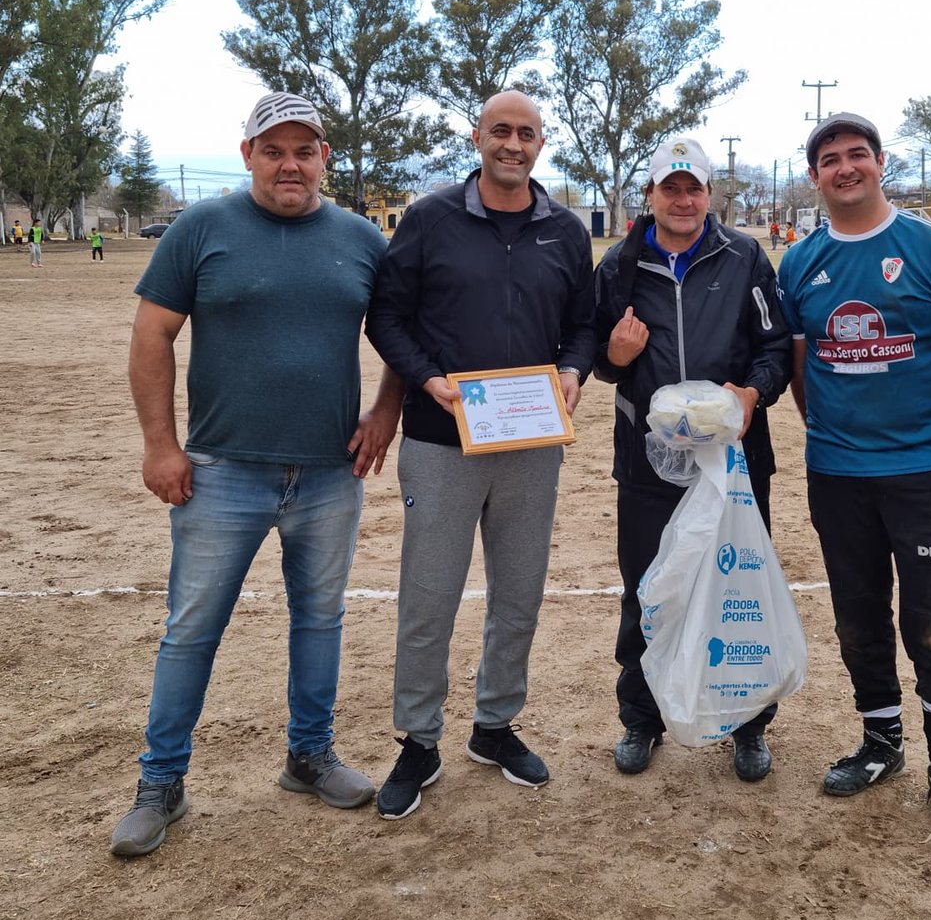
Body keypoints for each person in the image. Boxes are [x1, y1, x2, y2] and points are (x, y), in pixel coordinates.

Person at [111, 92, 403, 859]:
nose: (290, 164)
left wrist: (384, 413)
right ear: (247, 156)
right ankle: (161, 783)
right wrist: (160, 445)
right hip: (221, 474)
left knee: (320, 621)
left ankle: (309, 757)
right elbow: (152, 334)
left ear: (325, 159)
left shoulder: (361, 239)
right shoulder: (201, 228)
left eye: (305, 150)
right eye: (273, 150)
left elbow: (401, 338)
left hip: (329, 474)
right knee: (191, 632)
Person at [365, 89, 595, 820]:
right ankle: (419, 740)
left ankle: (494, 727)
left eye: (527, 133)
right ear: (476, 137)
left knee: (519, 594)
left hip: (531, 444)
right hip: (441, 442)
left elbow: (582, 326)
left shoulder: (564, 228)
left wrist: (571, 371)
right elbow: (387, 317)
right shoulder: (430, 218)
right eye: (501, 130)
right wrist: (428, 380)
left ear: (540, 144)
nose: (513, 144)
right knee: (429, 596)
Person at [777, 112, 931, 836]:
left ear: (879, 164)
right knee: (857, 616)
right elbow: (801, 369)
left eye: (857, 155)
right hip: (837, 474)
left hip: (927, 470)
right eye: (830, 160)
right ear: (814, 177)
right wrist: (828, 433)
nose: (845, 168)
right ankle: (881, 743)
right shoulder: (800, 263)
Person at [593, 135, 792, 782]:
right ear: (648, 195)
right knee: (646, 589)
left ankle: (749, 723)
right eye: (669, 187)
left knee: (741, 591)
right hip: (648, 461)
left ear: (710, 195)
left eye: (694, 188)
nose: (682, 199)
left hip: (733, 461)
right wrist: (617, 357)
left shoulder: (744, 257)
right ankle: (640, 718)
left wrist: (751, 395)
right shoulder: (620, 266)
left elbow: (775, 348)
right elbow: (594, 355)